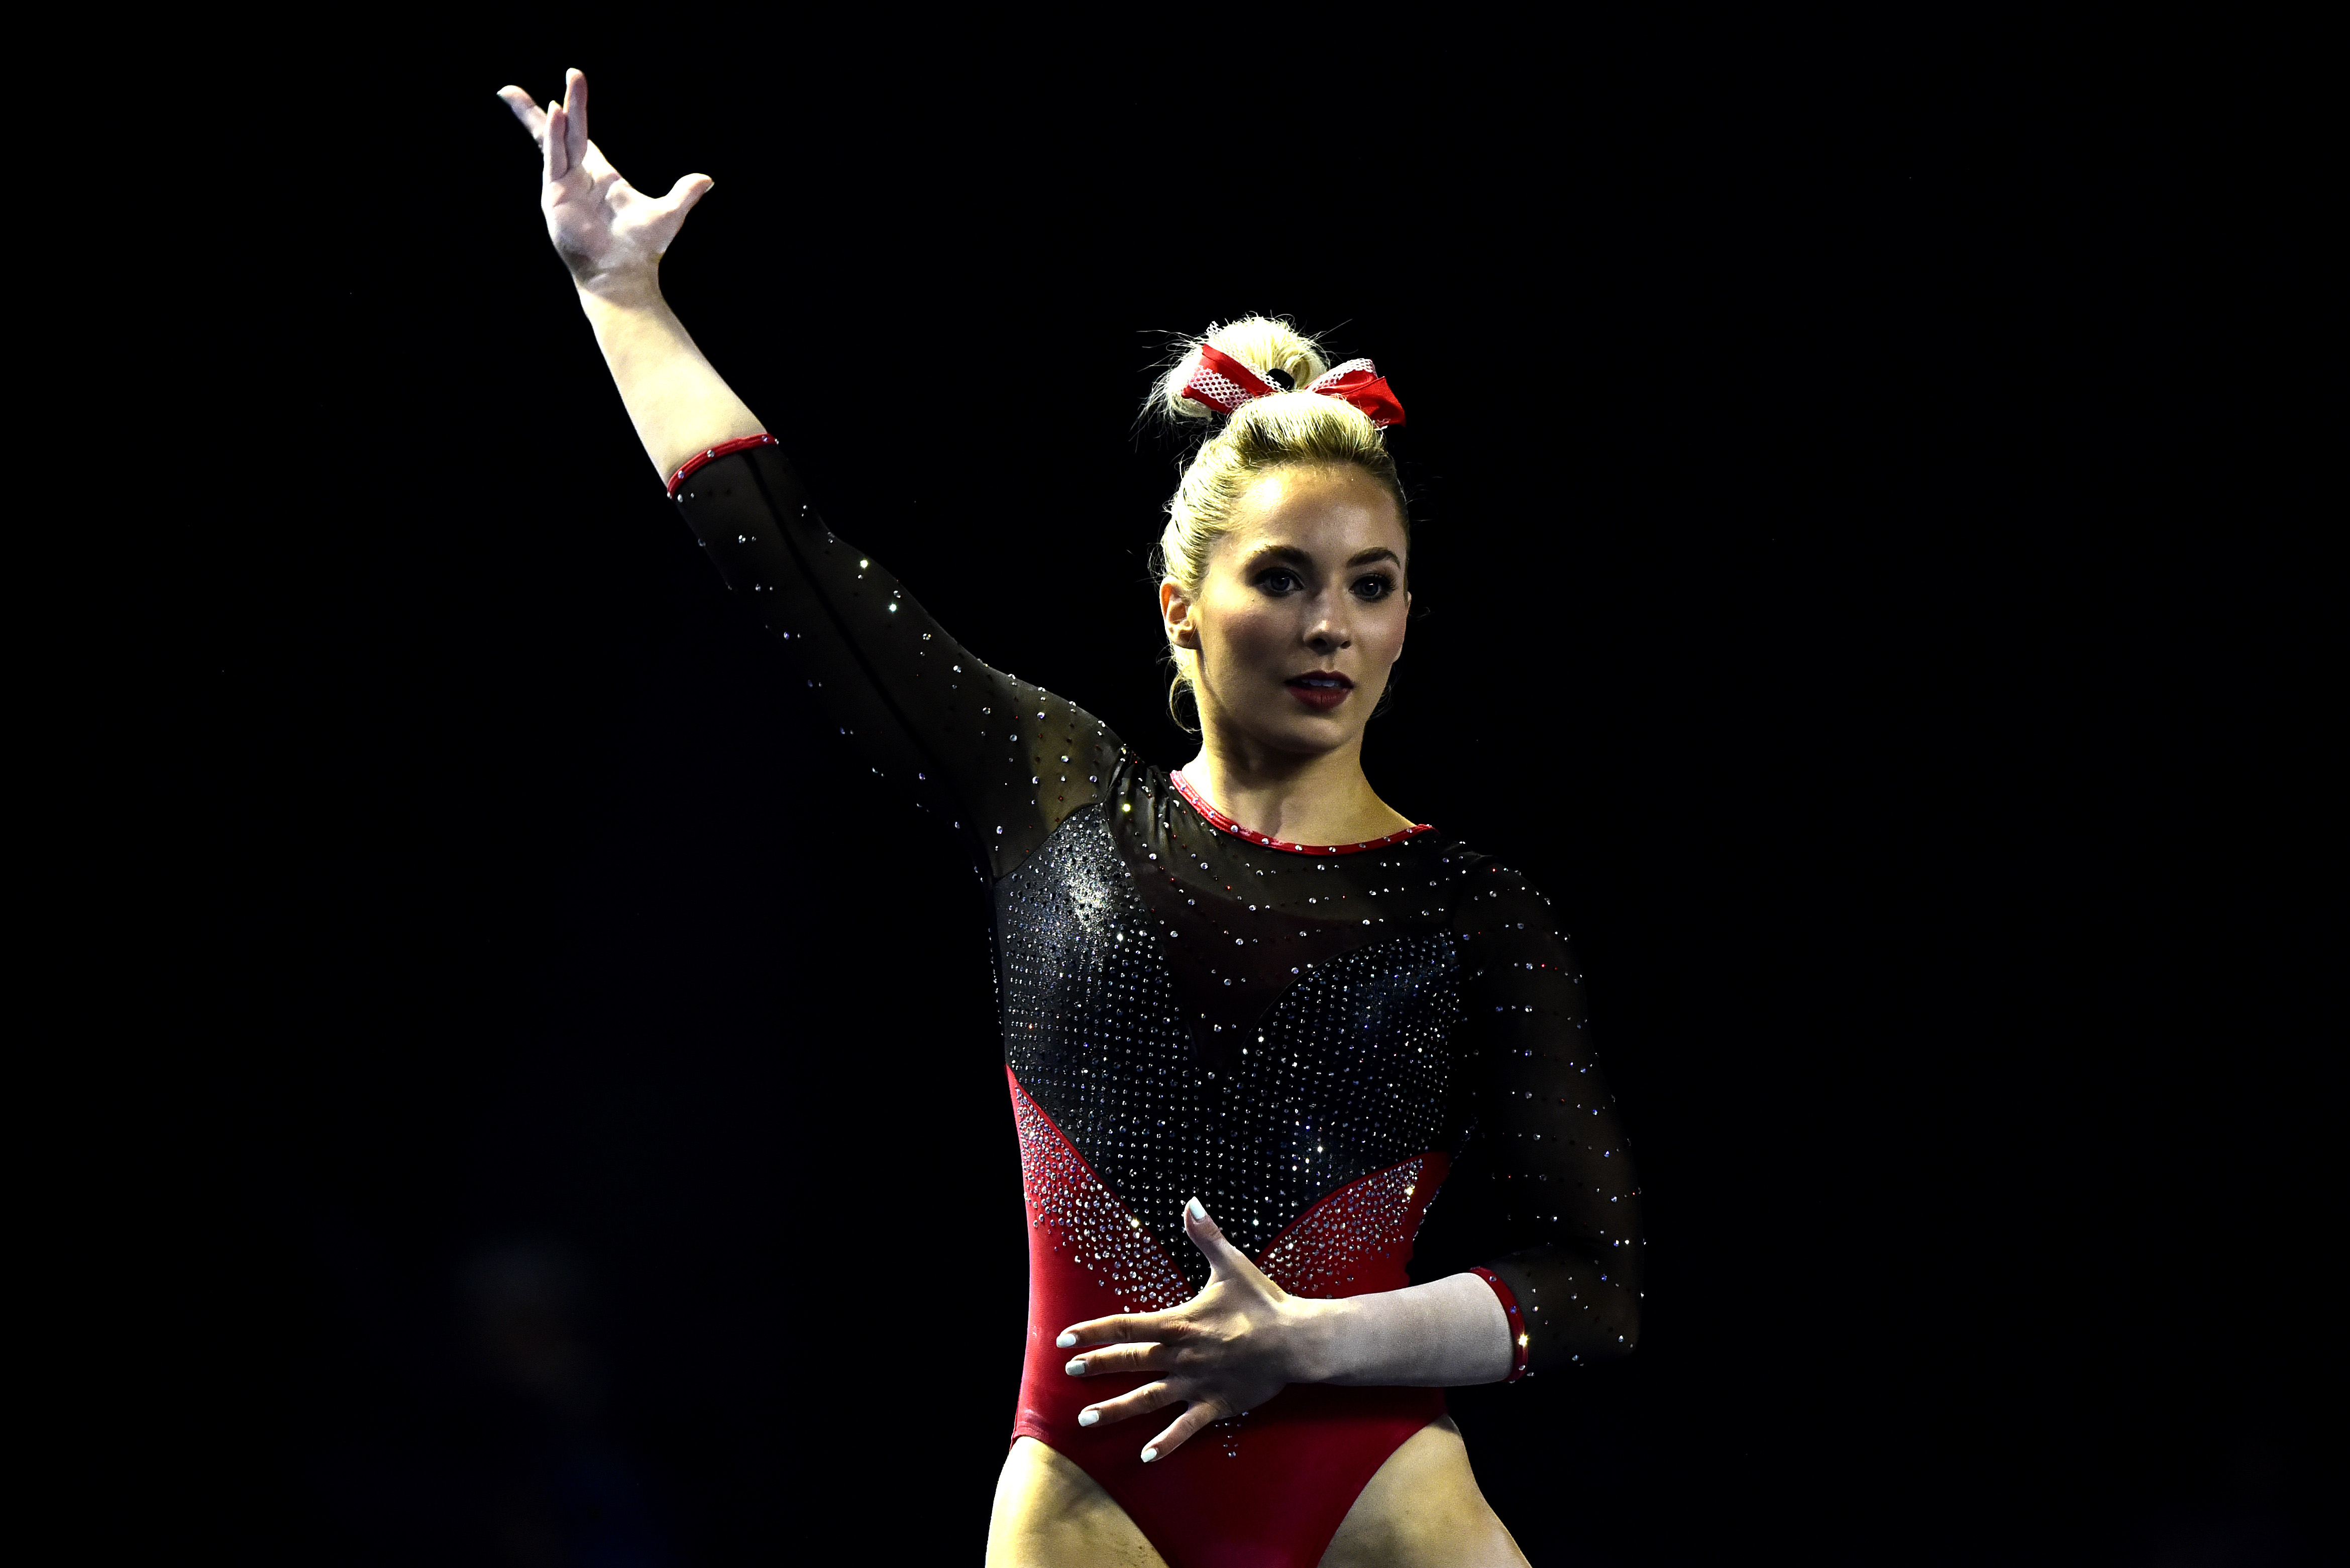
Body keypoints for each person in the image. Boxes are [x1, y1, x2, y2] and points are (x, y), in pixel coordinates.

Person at [496, 70, 1642, 1568]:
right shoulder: (1057, 798)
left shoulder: (1472, 910)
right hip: (1097, 1499)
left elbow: (1596, 1283)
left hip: (1377, 1492)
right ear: (1184, 605)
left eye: (1371, 585)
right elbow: (792, 564)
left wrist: (1310, 1341)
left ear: (1411, 619)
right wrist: (621, 294)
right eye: (1283, 576)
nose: (1330, 626)